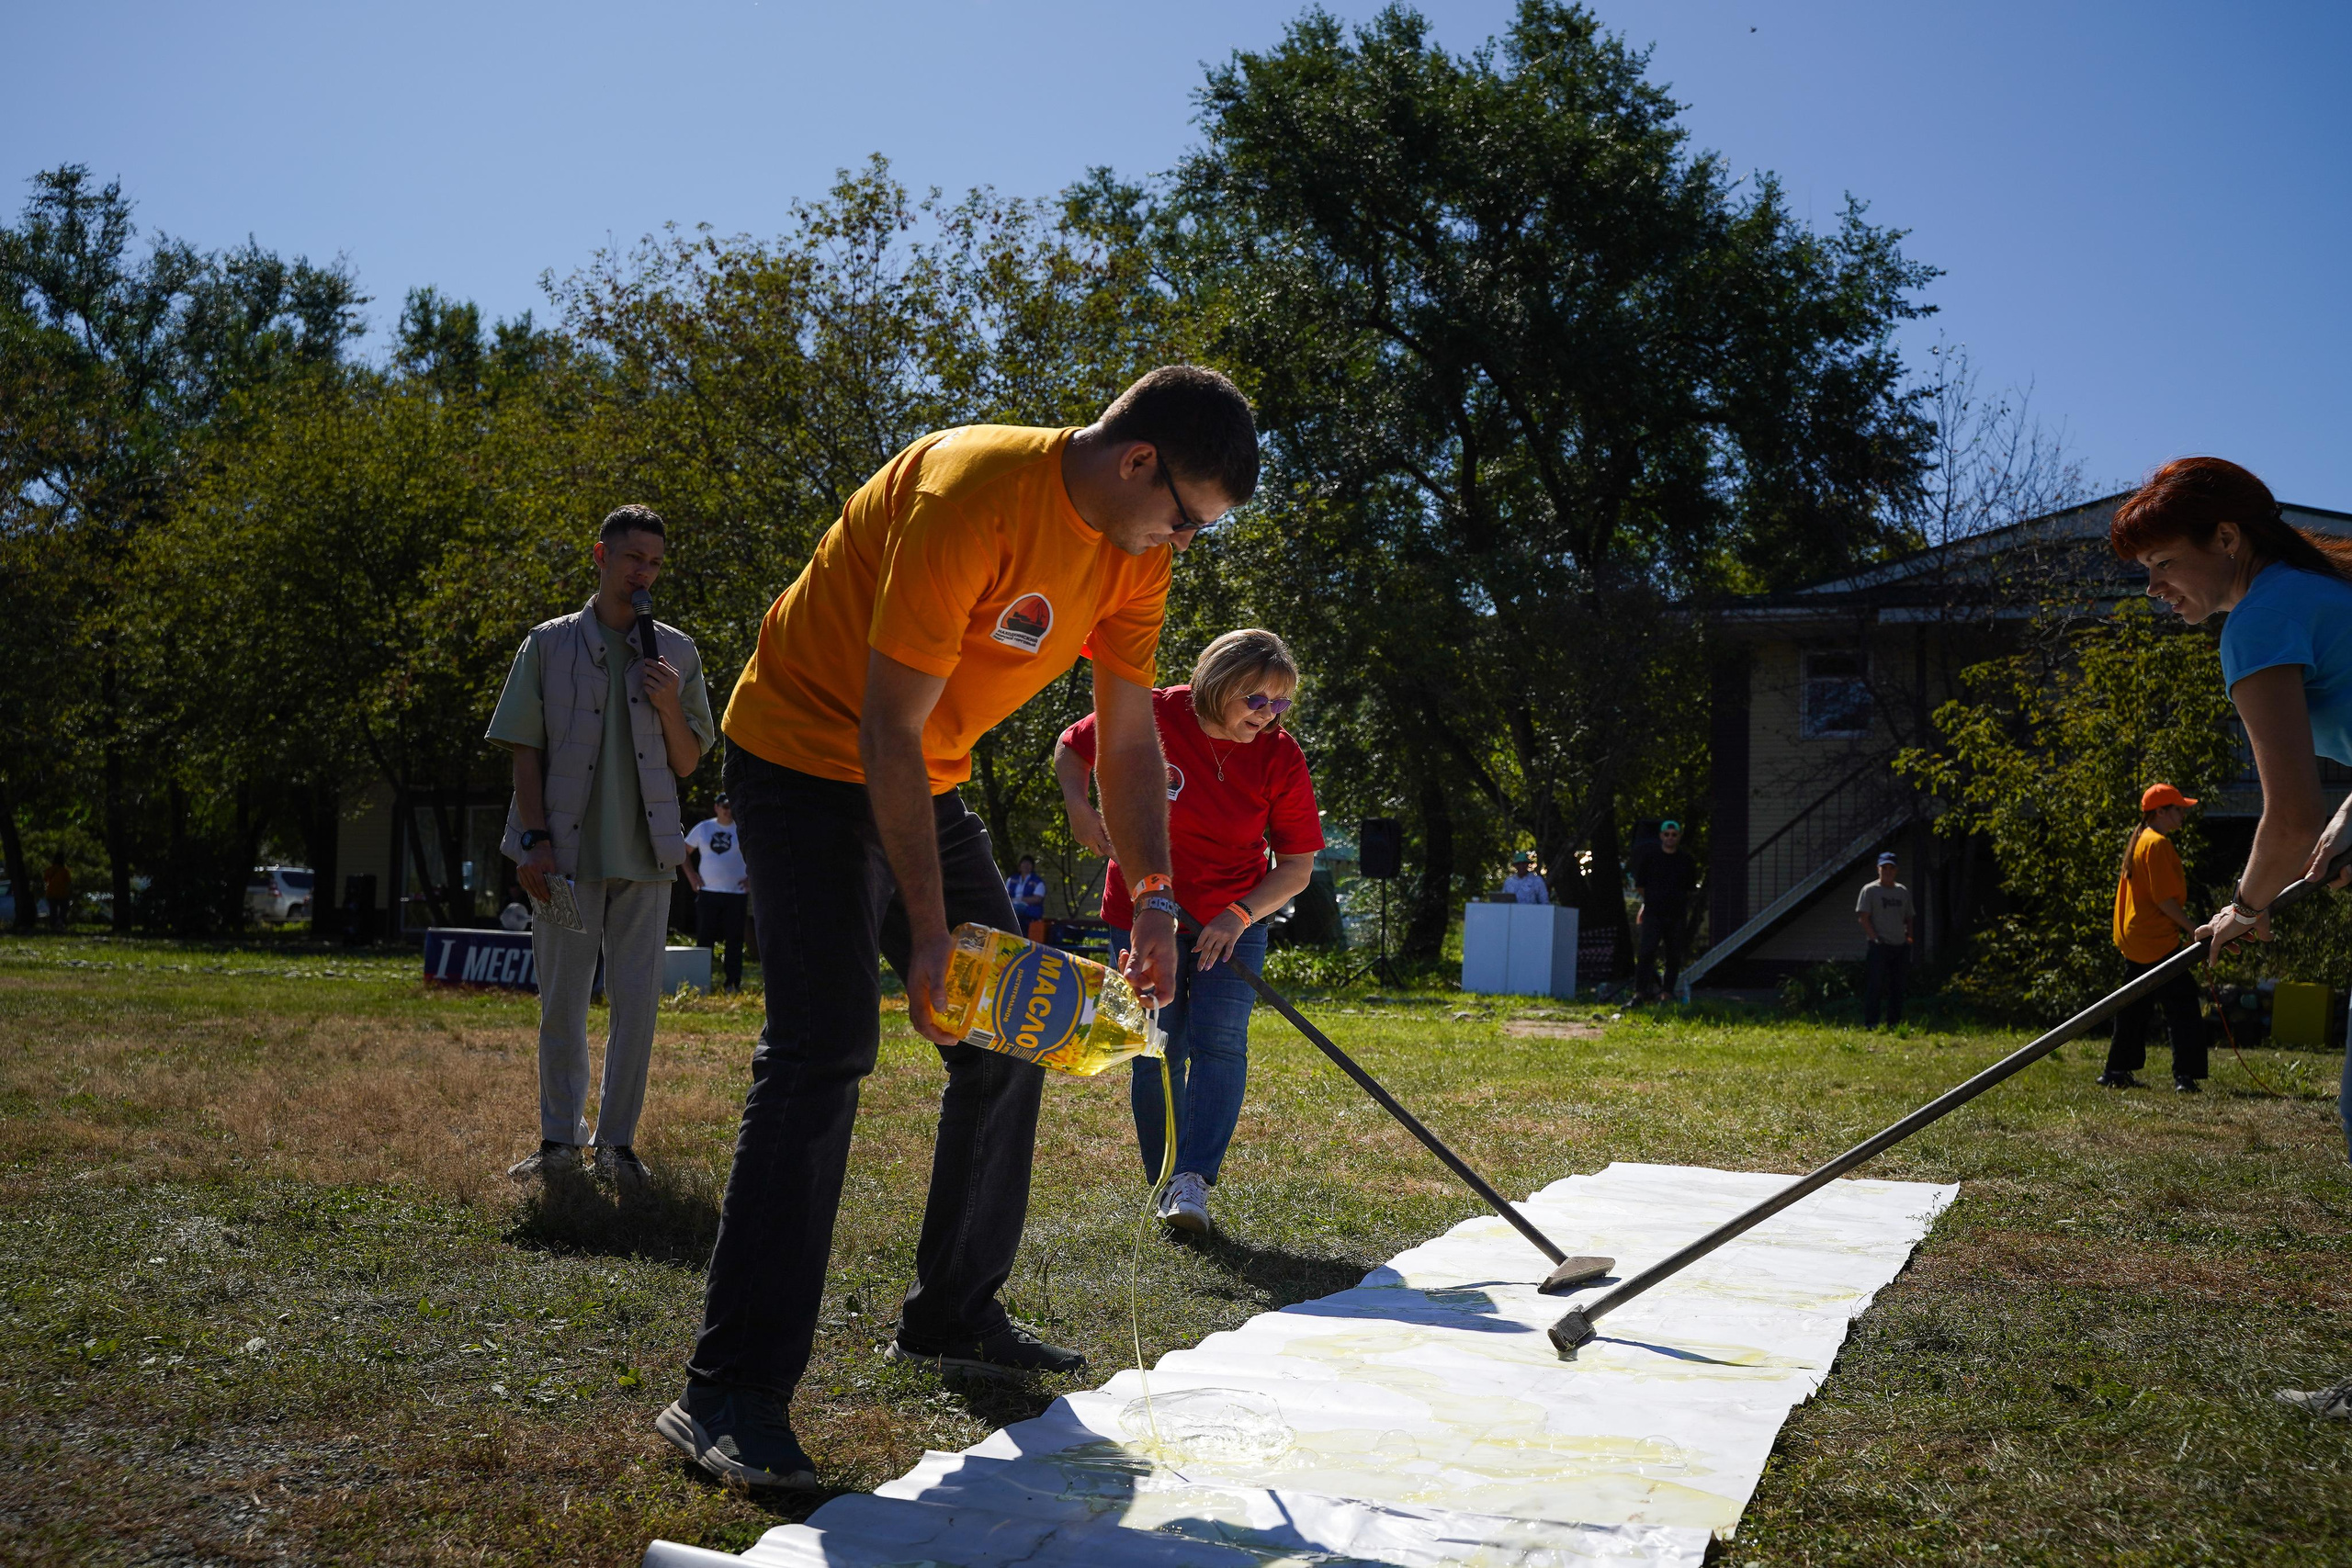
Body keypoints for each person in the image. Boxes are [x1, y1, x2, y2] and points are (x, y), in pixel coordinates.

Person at [659, 367, 1259, 1490]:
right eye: (1184, 517)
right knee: (823, 1050)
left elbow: (1129, 740)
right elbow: (884, 726)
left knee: (1014, 1027)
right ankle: (726, 1392)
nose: (1183, 543)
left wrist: (1156, 895)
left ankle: (951, 1313)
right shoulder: (970, 493)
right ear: (1137, 461)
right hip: (803, 761)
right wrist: (929, 935)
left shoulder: (1134, 552)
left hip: (919, 778)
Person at [2107, 457, 2352, 1418]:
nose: (2156, 589)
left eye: (2164, 564)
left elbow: (2287, 816)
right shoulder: (2315, 595)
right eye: (2145, 574)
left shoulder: (2260, 620)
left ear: (2225, 539)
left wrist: (2243, 908)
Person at [1055, 627, 1323, 1235]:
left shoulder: (1280, 755)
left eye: (1281, 702)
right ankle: (1165, 1177)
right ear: (1216, 684)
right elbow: (1072, 747)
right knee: (1157, 1046)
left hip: (1233, 915)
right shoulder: (1152, 712)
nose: (1269, 714)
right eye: (1257, 699)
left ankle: (1192, 1181)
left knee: (1221, 1041)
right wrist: (1079, 805)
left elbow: (1297, 867)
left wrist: (1239, 915)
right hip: (1143, 907)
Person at [489, 504, 714, 1192]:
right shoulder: (548, 644)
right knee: (561, 1004)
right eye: (633, 558)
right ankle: (559, 1143)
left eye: (655, 563)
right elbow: (524, 750)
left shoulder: (676, 652)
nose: (644, 573)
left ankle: (617, 1146)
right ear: (601, 556)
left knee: (637, 1009)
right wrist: (534, 840)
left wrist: (669, 703)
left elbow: (687, 763)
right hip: (563, 857)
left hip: (648, 859)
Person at [2099, 783, 2209, 1091]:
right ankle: (2185, 1077)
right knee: (2183, 1005)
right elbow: (2164, 900)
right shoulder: (2157, 844)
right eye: (2179, 809)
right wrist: (2192, 928)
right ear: (2160, 812)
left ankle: (2116, 1071)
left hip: (2138, 938)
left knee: (2134, 1006)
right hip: (2156, 940)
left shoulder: (2142, 839)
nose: (2183, 814)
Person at [684, 794, 751, 992]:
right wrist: (692, 876)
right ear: (716, 807)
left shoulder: (742, 828)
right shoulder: (704, 828)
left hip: (736, 893)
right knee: (705, 939)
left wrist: (751, 878)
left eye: (731, 806)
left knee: (735, 939)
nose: (728, 811)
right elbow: (683, 852)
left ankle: (732, 984)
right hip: (708, 892)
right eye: (724, 806)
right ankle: (701, 984)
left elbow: (757, 853)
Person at [1632, 819, 1698, 1001]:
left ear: (1679, 837)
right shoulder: (1650, 857)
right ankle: (1640, 993)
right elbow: (1640, 886)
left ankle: (1667, 993)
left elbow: (1690, 889)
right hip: (1653, 914)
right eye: (1667, 834)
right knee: (1646, 952)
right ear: (1661, 836)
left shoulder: (1686, 860)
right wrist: (1651, 902)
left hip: (1677, 915)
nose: (1670, 838)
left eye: (1674, 835)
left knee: (1673, 954)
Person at [1855, 852, 1914, 1029]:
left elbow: (1909, 917)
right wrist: (1875, 939)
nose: (1888, 871)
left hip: (1900, 945)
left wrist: (1909, 938)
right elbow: (1863, 917)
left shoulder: (1902, 891)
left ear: (1896, 870)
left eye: (1891, 868)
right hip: (1879, 946)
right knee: (1876, 985)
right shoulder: (1870, 890)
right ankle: (1871, 1022)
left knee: (1898, 986)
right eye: (1884, 868)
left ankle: (1894, 1023)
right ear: (1878, 869)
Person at [1004, 854, 1047, 940]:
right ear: (1020, 866)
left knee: (1014, 909)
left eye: (1029, 864)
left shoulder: (1037, 881)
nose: (1026, 866)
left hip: (1029, 908)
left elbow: (1037, 898)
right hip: (1012, 904)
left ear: (1032, 867)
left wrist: (1020, 899)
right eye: (1024, 863)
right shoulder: (1012, 879)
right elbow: (1005, 894)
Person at [41, 856, 70, 931]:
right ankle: (60, 922)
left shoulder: (50, 869)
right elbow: (68, 882)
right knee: (64, 909)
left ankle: (53, 925)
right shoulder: (65, 871)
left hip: (51, 893)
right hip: (62, 893)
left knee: (53, 910)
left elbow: (45, 879)